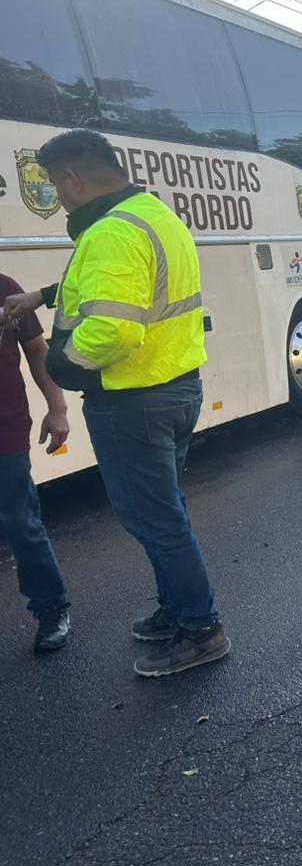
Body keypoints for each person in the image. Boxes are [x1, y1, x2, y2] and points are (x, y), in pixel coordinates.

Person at [2, 129, 229, 676]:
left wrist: (59, 366)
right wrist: (40, 296)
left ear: (73, 179)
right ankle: (176, 609)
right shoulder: (150, 214)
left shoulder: (107, 233)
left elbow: (110, 332)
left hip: (132, 400)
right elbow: (111, 285)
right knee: (163, 511)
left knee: (155, 520)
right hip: (176, 387)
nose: (58, 196)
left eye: (55, 186)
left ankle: (201, 629)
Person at [0, 275, 72, 654]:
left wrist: (57, 408)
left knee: (20, 524)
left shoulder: (5, 288)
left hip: (5, 429)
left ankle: (51, 607)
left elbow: (37, 351)